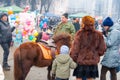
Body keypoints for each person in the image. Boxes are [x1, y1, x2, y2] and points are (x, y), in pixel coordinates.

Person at [70, 16, 106, 80]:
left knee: (79, 78)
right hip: (92, 61)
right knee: (90, 78)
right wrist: (95, 55)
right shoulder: (98, 34)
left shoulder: (79, 34)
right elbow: (102, 50)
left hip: (81, 61)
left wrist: (75, 58)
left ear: (83, 23)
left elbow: (75, 49)